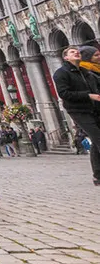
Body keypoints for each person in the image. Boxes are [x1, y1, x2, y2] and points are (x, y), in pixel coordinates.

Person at [53, 44, 100, 186]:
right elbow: (64, 93)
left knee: (95, 141)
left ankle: (97, 175)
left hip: (95, 109)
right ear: (66, 57)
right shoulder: (61, 73)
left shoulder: (86, 72)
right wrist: (89, 96)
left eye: (77, 51)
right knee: (98, 137)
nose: (76, 53)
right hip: (79, 111)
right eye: (73, 52)